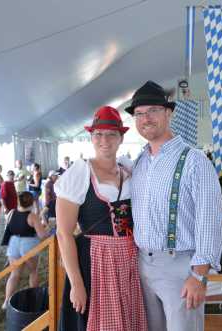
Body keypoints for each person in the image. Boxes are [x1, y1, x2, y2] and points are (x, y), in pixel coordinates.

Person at [125, 81, 222, 331]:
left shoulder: (195, 161)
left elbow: (210, 220)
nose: (145, 119)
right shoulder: (138, 162)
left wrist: (199, 275)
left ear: (169, 113)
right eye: (139, 114)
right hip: (142, 265)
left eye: (153, 111)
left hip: (180, 267)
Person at [55, 106, 147, 331]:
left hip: (129, 258)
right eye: (98, 134)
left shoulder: (129, 170)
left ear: (121, 138)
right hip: (95, 261)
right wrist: (76, 283)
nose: (104, 140)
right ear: (91, 137)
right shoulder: (80, 173)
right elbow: (63, 233)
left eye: (111, 134)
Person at [2, 192, 48, 309]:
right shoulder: (32, 216)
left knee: (15, 274)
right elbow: (42, 235)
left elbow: (8, 229)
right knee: (33, 272)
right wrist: (47, 229)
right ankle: (35, 299)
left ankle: (6, 301)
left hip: (13, 244)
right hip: (28, 244)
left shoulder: (11, 213)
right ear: (32, 202)